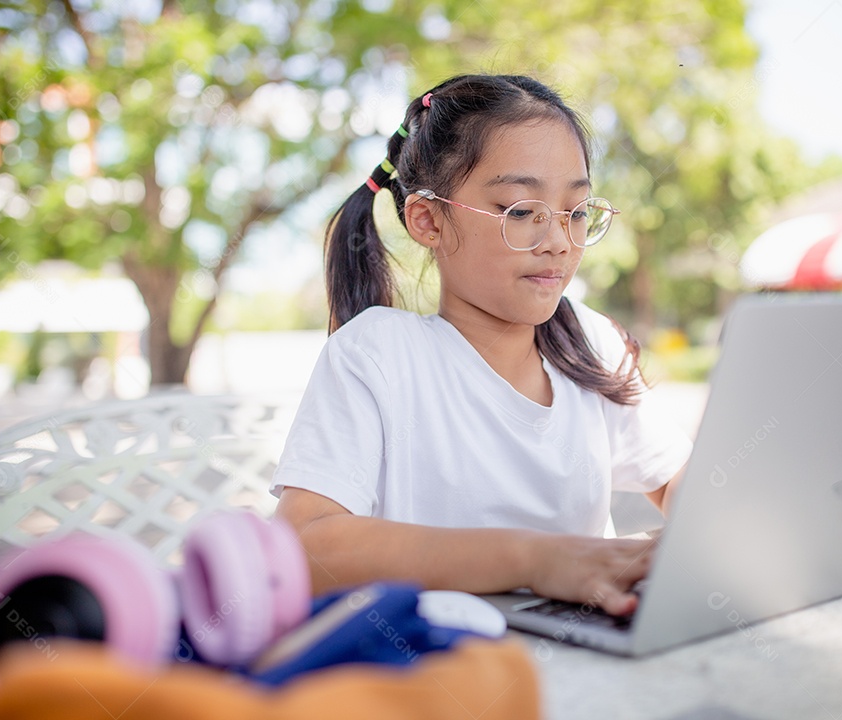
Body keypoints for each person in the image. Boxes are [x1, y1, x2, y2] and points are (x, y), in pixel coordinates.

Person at [272, 74, 692, 617]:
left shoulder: (589, 342)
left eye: (578, 211)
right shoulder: (378, 355)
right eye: (521, 211)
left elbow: (682, 482)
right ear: (428, 219)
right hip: (448, 670)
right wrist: (536, 559)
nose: (561, 241)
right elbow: (304, 548)